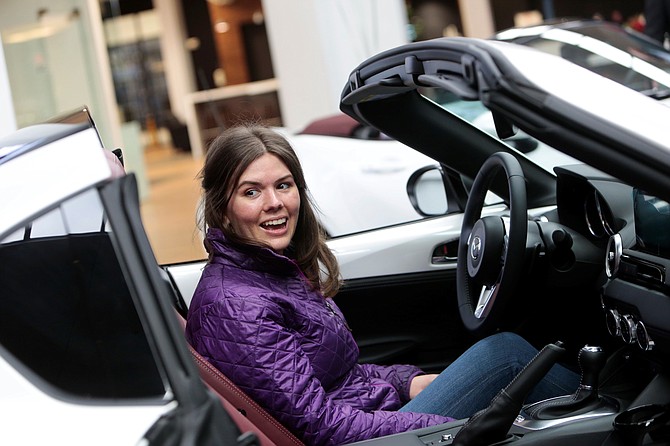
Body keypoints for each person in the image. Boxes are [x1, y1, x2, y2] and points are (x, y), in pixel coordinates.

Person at [185, 125, 580, 446]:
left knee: (505, 353)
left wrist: (408, 382)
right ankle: (606, 416)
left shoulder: (272, 272)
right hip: (360, 439)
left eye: (284, 186)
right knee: (506, 355)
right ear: (223, 208)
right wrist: (450, 428)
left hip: (366, 417)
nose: (275, 202)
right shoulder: (235, 305)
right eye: (251, 192)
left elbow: (342, 377)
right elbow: (321, 427)